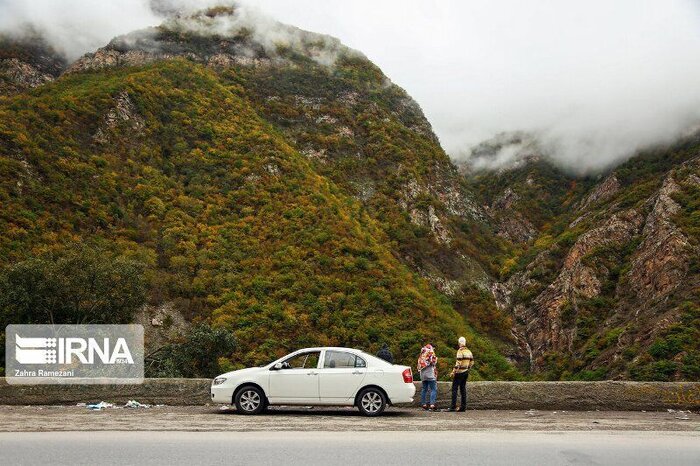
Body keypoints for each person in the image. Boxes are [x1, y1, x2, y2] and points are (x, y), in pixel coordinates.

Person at [447, 336, 473, 412]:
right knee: (463, 389)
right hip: (466, 372)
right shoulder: (469, 351)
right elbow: (472, 362)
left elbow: (458, 363)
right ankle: (463, 407)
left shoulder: (460, 351)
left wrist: (453, 371)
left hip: (459, 372)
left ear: (459, 343)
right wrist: (467, 368)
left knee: (454, 389)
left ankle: (453, 406)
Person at [417, 343, 438, 411]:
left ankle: (424, 404)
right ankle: (432, 405)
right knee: (433, 389)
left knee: (424, 389)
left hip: (423, 374)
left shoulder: (422, 352)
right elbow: (433, 362)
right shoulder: (431, 352)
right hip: (430, 374)